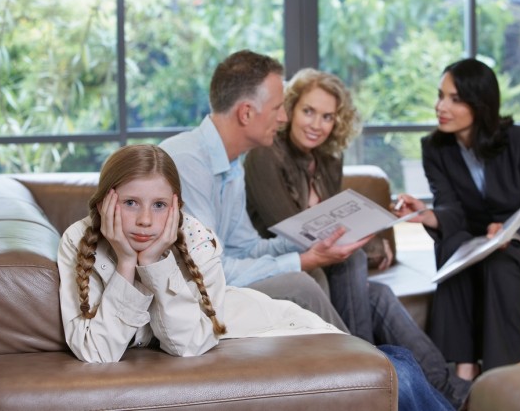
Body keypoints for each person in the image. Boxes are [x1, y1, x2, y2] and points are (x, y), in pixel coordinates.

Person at [57, 144, 456, 411]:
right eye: (130, 203)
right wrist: (127, 262)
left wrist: (157, 259)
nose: (145, 219)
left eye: (159, 205)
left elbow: (188, 342)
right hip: (236, 341)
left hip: (263, 328)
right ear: (106, 201)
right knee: (398, 369)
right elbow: (98, 352)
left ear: (175, 207)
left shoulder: (194, 236)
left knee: (394, 374)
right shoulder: (78, 242)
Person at [242, 67, 471, 410]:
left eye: (327, 116)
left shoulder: (328, 160)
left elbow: (335, 222)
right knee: (356, 261)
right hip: (286, 266)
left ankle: (447, 390)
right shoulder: (265, 154)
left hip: (325, 264)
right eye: (308, 111)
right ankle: (364, 378)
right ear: (289, 109)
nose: (316, 124)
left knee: (377, 292)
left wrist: (371, 234)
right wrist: (365, 242)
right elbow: (288, 228)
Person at [159, 49, 371, 337]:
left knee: (310, 276)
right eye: (277, 108)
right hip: (189, 296)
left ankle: (351, 371)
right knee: (301, 284)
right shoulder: (188, 163)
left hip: (217, 283)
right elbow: (209, 270)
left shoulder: (232, 165)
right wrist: (301, 261)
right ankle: (363, 370)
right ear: (246, 113)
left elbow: (246, 248)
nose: (284, 118)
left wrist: (305, 243)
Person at [395, 58, 520, 381]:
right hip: (483, 249)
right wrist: (425, 214)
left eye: (454, 99)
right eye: (440, 95)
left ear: (480, 103)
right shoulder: (435, 148)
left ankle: (501, 376)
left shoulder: (519, 140)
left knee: (500, 264)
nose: (440, 107)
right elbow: (451, 209)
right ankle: (463, 370)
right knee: (452, 244)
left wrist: (508, 232)